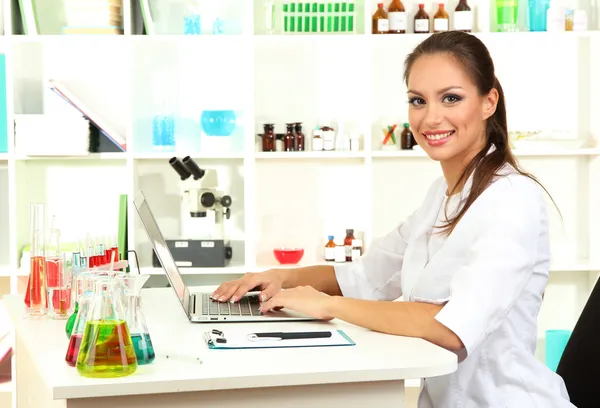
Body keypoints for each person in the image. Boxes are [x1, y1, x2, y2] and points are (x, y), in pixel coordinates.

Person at [212, 31, 575, 407]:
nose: (431, 117)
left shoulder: (512, 199)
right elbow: (365, 276)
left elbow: (452, 328)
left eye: (451, 98)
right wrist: (281, 277)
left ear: (488, 102)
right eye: (418, 100)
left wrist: (327, 305)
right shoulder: (442, 194)